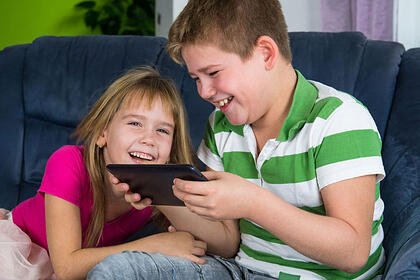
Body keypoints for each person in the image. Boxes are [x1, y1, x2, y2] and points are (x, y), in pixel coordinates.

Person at [88, 1, 386, 279]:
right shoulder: (222, 126)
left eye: (213, 72)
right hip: (240, 270)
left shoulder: (339, 120)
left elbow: (353, 252)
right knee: (118, 269)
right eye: (196, 79)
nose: (204, 92)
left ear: (266, 53)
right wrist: (160, 196)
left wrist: (253, 203)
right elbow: (228, 243)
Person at [0, 66, 207, 279]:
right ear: (102, 134)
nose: (149, 139)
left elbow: (210, 241)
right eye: (135, 123)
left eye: (162, 130)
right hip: (20, 252)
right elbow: (67, 268)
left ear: (171, 148)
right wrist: (154, 246)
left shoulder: (157, 194)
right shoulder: (68, 162)